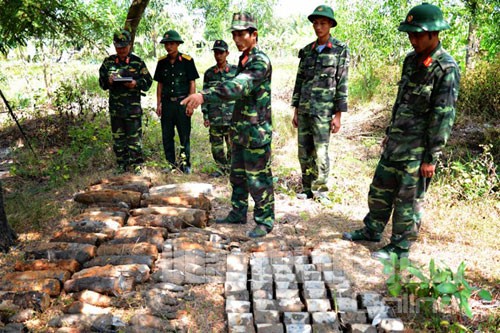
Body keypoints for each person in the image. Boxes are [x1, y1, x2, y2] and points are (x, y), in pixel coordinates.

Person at [342, 3, 460, 260]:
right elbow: (401, 101)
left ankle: (399, 247)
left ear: (434, 33)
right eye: (409, 34)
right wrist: (389, 131)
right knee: (380, 190)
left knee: (408, 201)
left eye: (417, 34)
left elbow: (443, 116)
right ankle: (372, 229)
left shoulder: (445, 69)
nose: (412, 39)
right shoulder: (410, 61)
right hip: (396, 142)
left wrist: (431, 157)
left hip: (417, 150)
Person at [181, 12, 274, 238]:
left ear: (254, 34)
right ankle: (238, 212)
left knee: (258, 178)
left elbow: (238, 87)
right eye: (234, 34)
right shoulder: (244, 60)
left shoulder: (259, 61)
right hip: (240, 129)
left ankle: (265, 220)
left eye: (241, 34)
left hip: (256, 131)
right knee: (238, 175)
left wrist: (204, 95)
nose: (237, 39)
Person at [292, 5, 349, 199]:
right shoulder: (307, 51)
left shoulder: (340, 50)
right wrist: (296, 110)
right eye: (315, 23)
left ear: (331, 25)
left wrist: (338, 115)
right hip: (305, 108)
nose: (318, 27)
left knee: (321, 151)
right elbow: (299, 81)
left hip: (324, 111)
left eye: (323, 23)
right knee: (303, 151)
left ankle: (320, 190)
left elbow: (342, 82)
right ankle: (307, 188)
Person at [99, 29, 153, 174]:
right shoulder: (108, 62)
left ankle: (137, 165)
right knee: (118, 139)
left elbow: (148, 83)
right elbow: (102, 83)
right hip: (116, 109)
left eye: (124, 46)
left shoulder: (137, 62)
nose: (121, 49)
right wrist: (109, 81)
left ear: (129, 45)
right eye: (118, 46)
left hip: (132, 109)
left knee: (134, 139)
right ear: (114, 46)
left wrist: (136, 83)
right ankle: (121, 164)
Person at [154, 30, 199, 174]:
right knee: (167, 135)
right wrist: (159, 103)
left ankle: (185, 164)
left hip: (182, 103)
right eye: (166, 44)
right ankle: (171, 164)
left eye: (172, 43)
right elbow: (160, 84)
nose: (169, 47)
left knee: (184, 135)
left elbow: (192, 83)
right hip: (167, 103)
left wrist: (190, 103)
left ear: (178, 44)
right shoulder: (161, 62)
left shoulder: (187, 61)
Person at [202, 40, 238, 177]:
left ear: (227, 53)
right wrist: (205, 115)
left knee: (232, 146)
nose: (218, 55)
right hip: (215, 115)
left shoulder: (235, 71)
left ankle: (231, 169)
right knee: (216, 146)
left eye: (221, 52)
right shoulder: (209, 73)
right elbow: (205, 95)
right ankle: (221, 168)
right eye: (216, 52)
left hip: (232, 116)